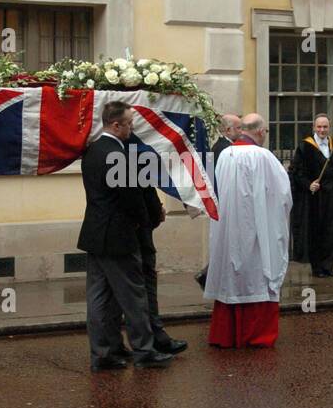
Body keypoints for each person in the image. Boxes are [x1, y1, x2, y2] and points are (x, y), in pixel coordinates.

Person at [77, 101, 175, 373]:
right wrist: (150, 219)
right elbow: (131, 198)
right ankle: (145, 350)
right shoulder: (118, 155)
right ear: (115, 124)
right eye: (129, 123)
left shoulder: (93, 150)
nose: (132, 128)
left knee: (99, 299)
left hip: (95, 234)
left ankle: (103, 352)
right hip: (119, 236)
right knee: (134, 297)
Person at [204, 113, 293, 348]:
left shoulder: (225, 154)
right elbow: (281, 196)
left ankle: (227, 334)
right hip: (255, 231)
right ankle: (255, 335)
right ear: (261, 131)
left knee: (232, 278)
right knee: (256, 276)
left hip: (229, 229)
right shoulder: (263, 157)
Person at [129, 135, 188, 357]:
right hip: (137, 232)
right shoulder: (132, 151)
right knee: (143, 287)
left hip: (126, 231)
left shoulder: (103, 149)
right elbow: (141, 191)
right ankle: (152, 340)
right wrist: (155, 213)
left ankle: (113, 345)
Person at [289, 114, 333, 277]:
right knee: (316, 232)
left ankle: (328, 266)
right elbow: (296, 172)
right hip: (314, 198)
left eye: (325, 127)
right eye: (319, 127)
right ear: (314, 128)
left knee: (331, 231)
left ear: (329, 128)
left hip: (332, 196)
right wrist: (309, 185)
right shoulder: (305, 146)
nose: (322, 130)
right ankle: (317, 268)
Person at [195, 112, 241, 289]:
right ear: (228, 130)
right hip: (225, 204)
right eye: (238, 128)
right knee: (226, 244)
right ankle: (207, 276)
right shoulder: (224, 149)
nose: (241, 131)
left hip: (224, 204)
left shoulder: (222, 147)